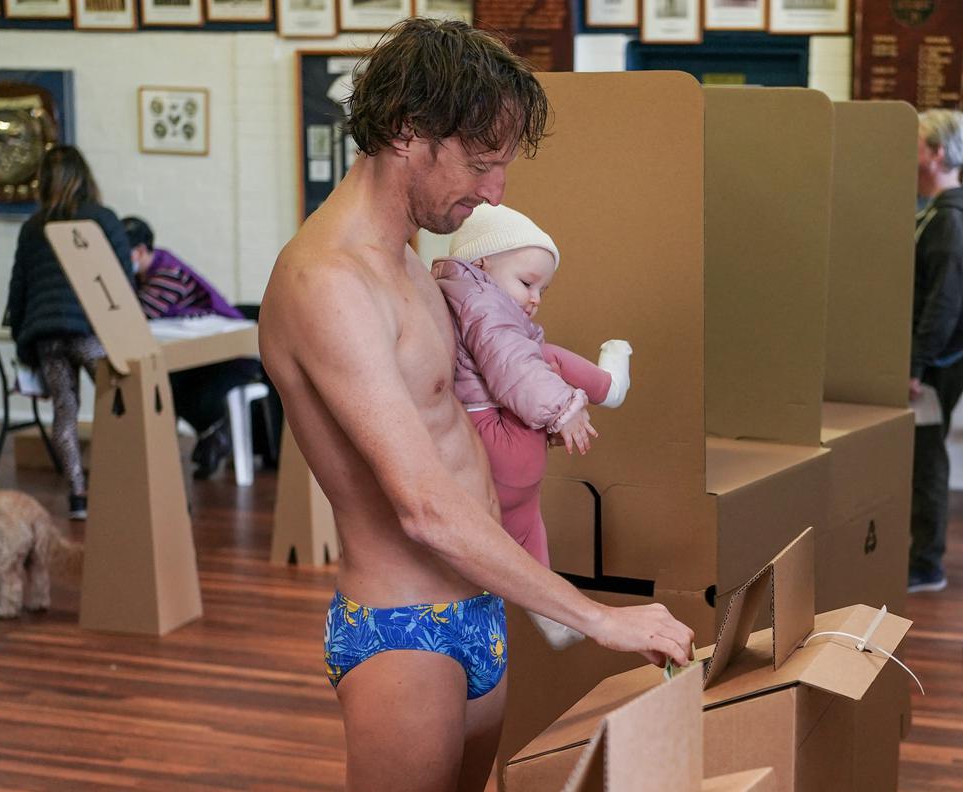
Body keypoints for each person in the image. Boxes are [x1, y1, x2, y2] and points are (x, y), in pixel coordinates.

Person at [257, 19, 693, 791]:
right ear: (407, 130)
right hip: (406, 630)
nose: (494, 194)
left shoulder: (409, 265)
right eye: (483, 165)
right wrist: (596, 617)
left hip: (477, 610)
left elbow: (449, 419)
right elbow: (422, 506)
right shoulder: (327, 281)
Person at [432, 203, 633, 648]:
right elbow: (513, 365)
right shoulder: (482, 302)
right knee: (547, 358)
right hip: (497, 440)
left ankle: (550, 612)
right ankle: (609, 386)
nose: (535, 298)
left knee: (524, 522)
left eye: (543, 288)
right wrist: (563, 409)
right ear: (481, 264)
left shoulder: (453, 296)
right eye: (527, 282)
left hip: (479, 449)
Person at [5, 146, 133, 521]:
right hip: (89, 331)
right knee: (117, 404)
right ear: (85, 176)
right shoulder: (102, 219)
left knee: (65, 410)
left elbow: (18, 289)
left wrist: (22, 341)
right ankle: (123, 484)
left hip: (47, 334)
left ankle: (78, 496)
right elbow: (121, 279)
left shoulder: (33, 226)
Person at [907, 109, 963, 594]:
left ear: (937, 153)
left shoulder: (952, 220)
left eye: (915, 141)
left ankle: (927, 564)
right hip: (936, 359)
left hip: (937, 364)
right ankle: (920, 554)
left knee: (926, 459)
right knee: (922, 457)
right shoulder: (941, 211)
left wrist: (915, 364)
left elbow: (942, 302)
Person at [123, 216, 261, 479]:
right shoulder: (149, 274)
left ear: (139, 251)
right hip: (203, 356)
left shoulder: (167, 276)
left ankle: (213, 436)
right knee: (164, 384)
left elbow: (137, 317)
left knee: (173, 387)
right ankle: (211, 438)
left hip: (232, 357)